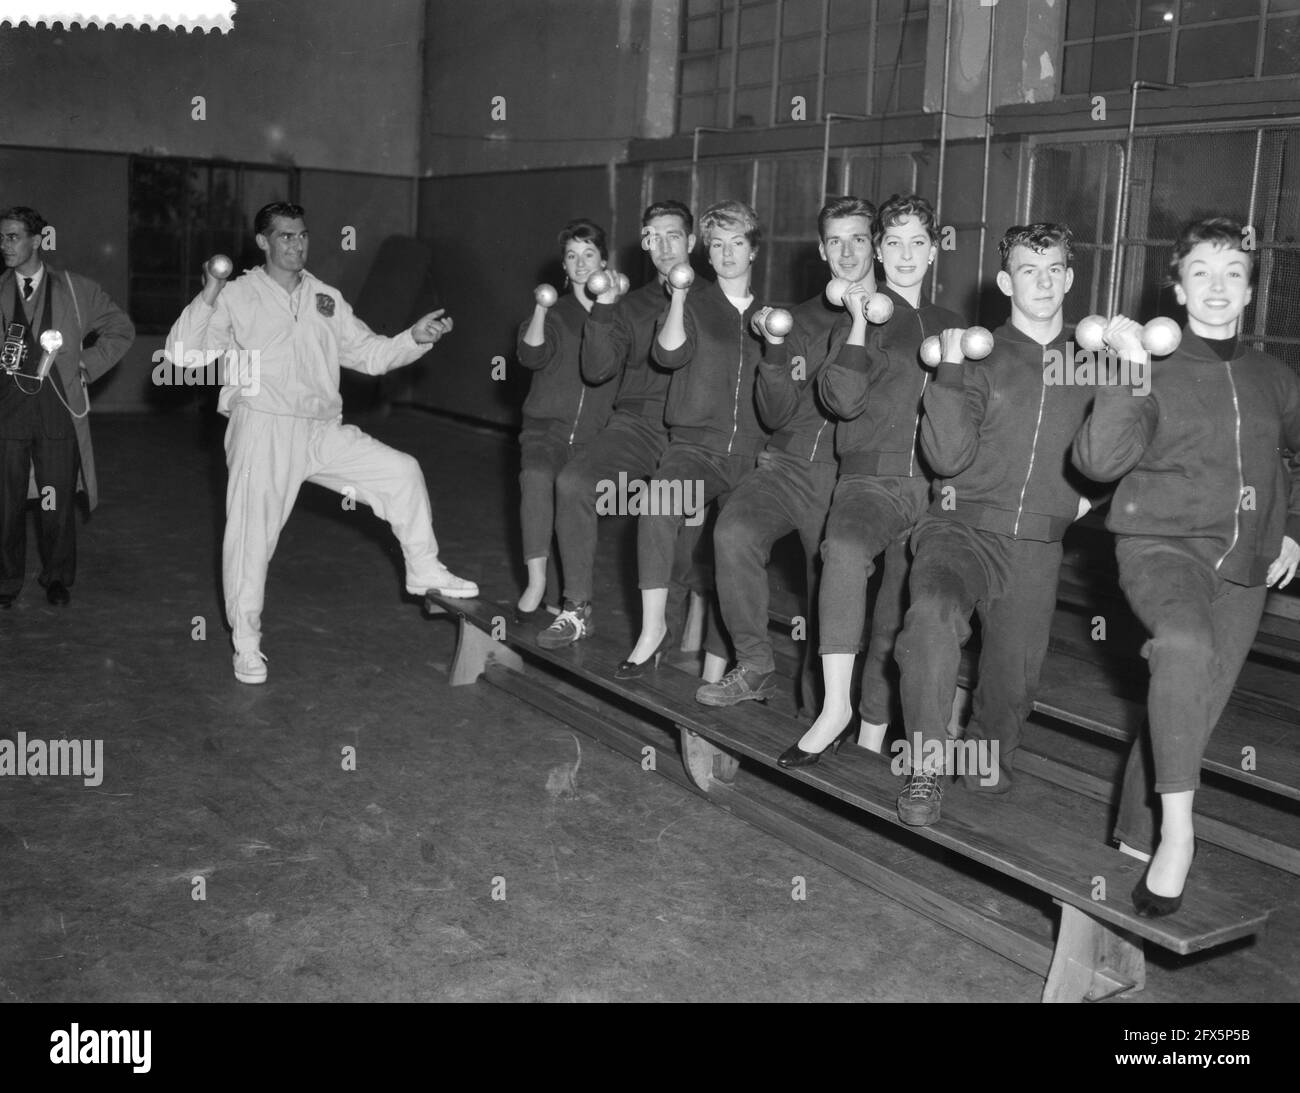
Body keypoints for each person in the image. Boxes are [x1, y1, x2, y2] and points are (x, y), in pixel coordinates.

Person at [1072, 216, 1300, 916]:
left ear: (1252, 290)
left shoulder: (1275, 378)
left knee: (1187, 705)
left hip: (1246, 567)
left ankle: (1137, 844)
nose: (1218, 286)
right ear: (1176, 284)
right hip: (1162, 544)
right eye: (1201, 271)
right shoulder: (1150, 362)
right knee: (1181, 645)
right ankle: (1179, 835)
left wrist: (1290, 526)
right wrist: (1125, 376)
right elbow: (1096, 462)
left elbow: (1292, 455)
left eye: (1234, 273)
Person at [165, 201, 476, 684]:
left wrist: (414, 337)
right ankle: (247, 647)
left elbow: (370, 355)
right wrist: (210, 287)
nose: (297, 244)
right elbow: (184, 356)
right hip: (262, 428)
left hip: (321, 429)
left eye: (302, 235)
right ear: (263, 242)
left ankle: (424, 569)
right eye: (285, 236)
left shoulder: (326, 298)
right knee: (250, 542)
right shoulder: (237, 294)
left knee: (401, 471)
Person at [893, 223, 1102, 825]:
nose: (1042, 281)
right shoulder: (980, 353)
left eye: (1054, 269)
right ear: (1006, 280)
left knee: (1011, 688)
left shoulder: (1094, 362)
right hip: (959, 528)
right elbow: (947, 458)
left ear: (1068, 277)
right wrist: (950, 372)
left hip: (1037, 543)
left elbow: (1132, 441)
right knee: (931, 617)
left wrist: (1092, 501)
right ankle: (926, 767)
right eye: (1028, 270)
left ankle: (979, 759)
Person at [772, 195, 965, 765]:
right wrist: (857, 325)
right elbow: (842, 400)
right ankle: (835, 708)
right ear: (878, 252)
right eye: (893, 243)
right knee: (846, 549)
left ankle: (872, 736)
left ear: (934, 251)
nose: (905, 254)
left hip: (934, 490)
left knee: (897, 620)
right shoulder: (865, 319)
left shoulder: (955, 325)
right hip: (869, 483)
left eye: (917, 243)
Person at [695, 195, 877, 710]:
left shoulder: (893, 320)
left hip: (848, 479)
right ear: (821, 250)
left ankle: (825, 706)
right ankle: (754, 664)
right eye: (835, 241)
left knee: (830, 589)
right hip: (787, 465)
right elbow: (774, 415)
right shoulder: (794, 320)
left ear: (875, 248)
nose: (846, 252)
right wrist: (774, 354)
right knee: (732, 530)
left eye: (858, 239)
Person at [539, 201, 708, 650]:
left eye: (674, 235)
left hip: (690, 435)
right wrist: (604, 310)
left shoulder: (713, 301)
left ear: (691, 242)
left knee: (678, 527)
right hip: (636, 427)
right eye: (653, 237)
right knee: (574, 481)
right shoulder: (629, 304)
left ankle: (673, 627)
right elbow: (596, 371)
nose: (664, 246)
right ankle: (576, 608)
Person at [618, 199, 769, 677]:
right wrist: (680, 299)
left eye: (737, 243)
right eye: (717, 244)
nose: (727, 253)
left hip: (751, 459)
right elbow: (668, 354)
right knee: (657, 505)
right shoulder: (693, 303)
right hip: (696, 453)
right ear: (705, 252)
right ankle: (652, 629)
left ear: (753, 251)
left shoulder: (773, 318)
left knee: (731, 548)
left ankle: (719, 668)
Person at [0, 205, 134, 608]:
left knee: (54, 501)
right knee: (4, 503)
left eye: (12, 237)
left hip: (57, 411)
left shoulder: (77, 290)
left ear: (37, 241)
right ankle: (6, 583)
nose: (4, 245)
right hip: (7, 413)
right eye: (1, 237)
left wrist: (86, 364)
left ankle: (56, 578)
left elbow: (120, 329)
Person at [514, 218, 617, 623]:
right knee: (537, 477)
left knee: (571, 496)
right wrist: (541, 308)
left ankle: (573, 600)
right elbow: (530, 356)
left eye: (588, 254)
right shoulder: (554, 312)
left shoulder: (617, 314)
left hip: (595, 437)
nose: (580, 263)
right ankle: (536, 580)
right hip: (545, 430)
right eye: (572, 256)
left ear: (604, 262)